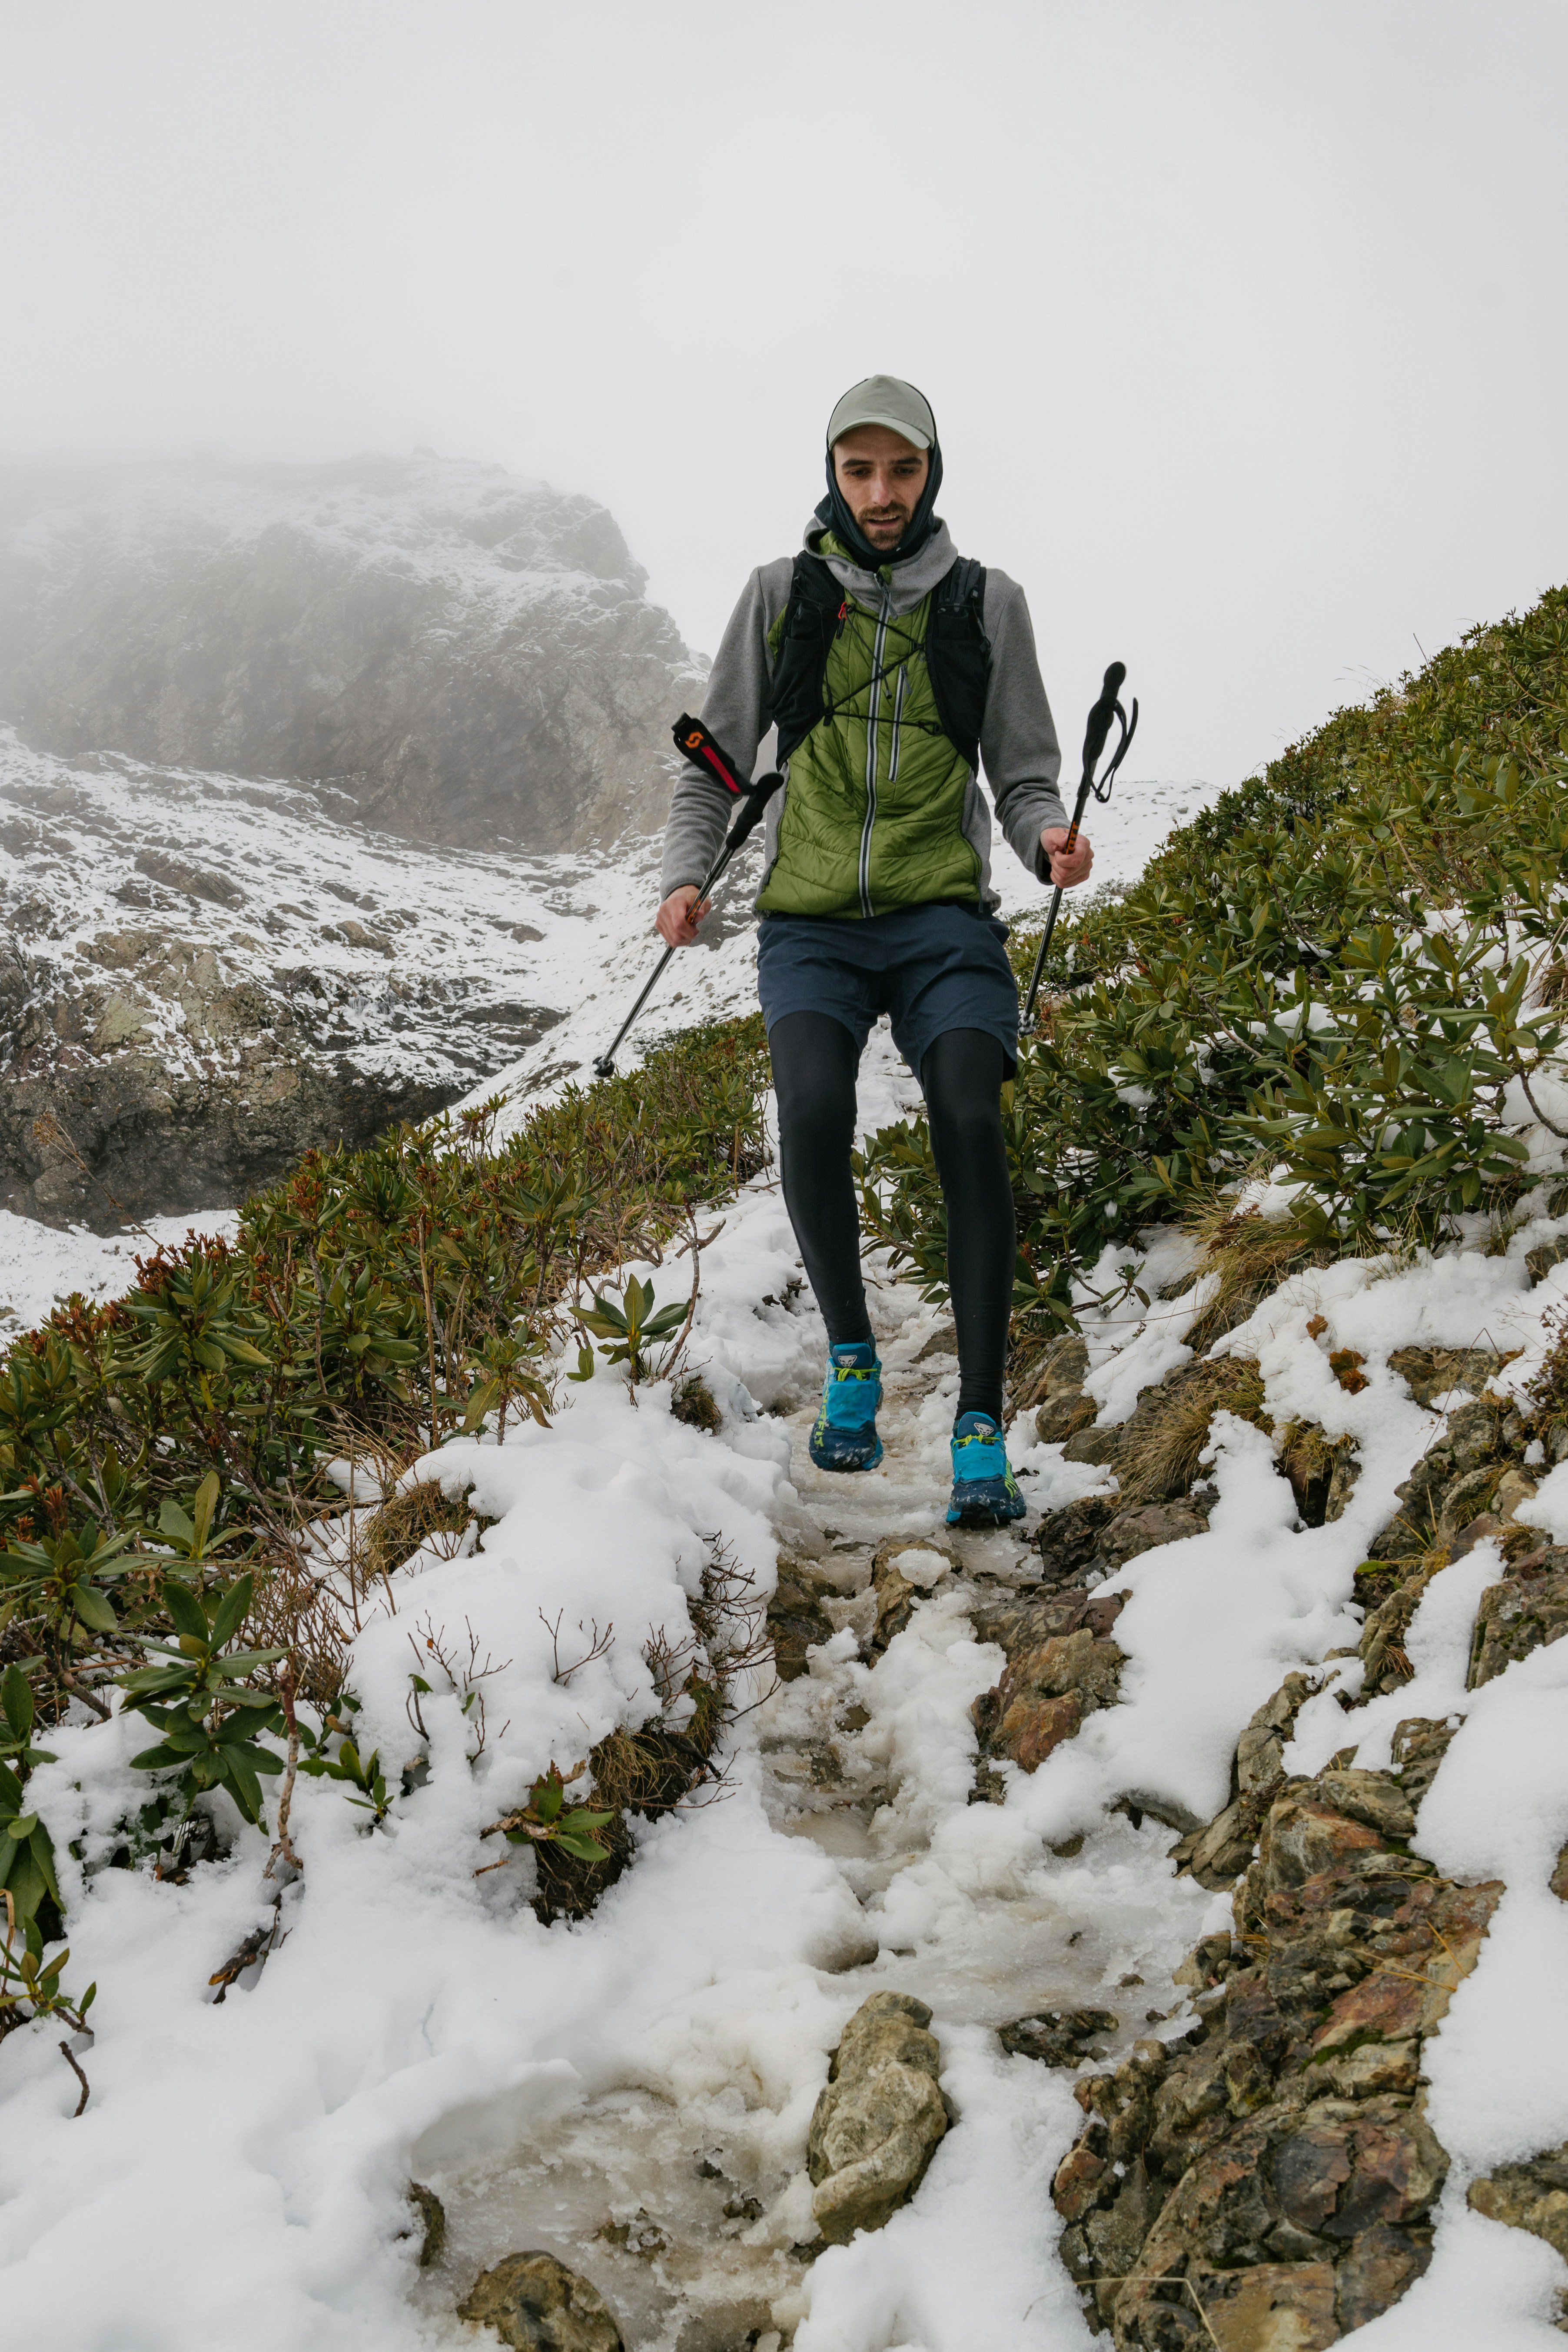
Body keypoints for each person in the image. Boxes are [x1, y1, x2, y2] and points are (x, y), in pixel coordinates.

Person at [655, 375, 1092, 1526]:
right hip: (811, 925)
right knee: (810, 1109)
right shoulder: (780, 596)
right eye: (861, 471)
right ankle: (854, 1357)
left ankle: (980, 1427)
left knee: (969, 1116)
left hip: (943, 916)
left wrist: (1046, 838)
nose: (882, 493)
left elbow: (1025, 773)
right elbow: (715, 763)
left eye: (902, 469)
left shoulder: (989, 604)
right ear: (833, 474)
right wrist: (687, 876)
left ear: (932, 472)